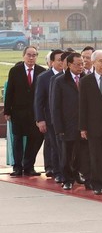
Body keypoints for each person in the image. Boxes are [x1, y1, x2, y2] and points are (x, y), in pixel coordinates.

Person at [4, 46, 46, 177]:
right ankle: (17, 167)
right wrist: (7, 110)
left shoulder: (41, 71)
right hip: (18, 112)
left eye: (34, 55)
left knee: (33, 139)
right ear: (24, 56)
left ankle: (29, 166)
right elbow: (10, 91)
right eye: (29, 55)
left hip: (34, 113)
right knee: (17, 139)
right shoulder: (15, 71)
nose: (31, 58)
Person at [79, 50, 102, 195]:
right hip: (94, 125)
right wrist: (83, 127)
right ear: (93, 63)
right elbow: (83, 105)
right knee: (96, 155)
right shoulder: (86, 81)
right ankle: (97, 183)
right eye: (100, 61)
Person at [51, 53, 89, 190]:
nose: (81, 67)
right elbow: (55, 106)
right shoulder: (60, 81)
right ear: (69, 65)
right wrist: (58, 127)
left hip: (84, 124)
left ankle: (79, 173)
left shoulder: (87, 79)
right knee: (67, 154)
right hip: (67, 124)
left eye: (82, 64)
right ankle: (67, 178)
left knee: (83, 153)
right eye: (77, 64)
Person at [34, 49, 65, 181]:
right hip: (50, 118)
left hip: (67, 118)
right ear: (52, 62)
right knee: (55, 145)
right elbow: (38, 100)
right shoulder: (44, 77)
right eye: (59, 60)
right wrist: (40, 119)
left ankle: (68, 171)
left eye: (63, 60)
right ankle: (56, 171)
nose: (61, 63)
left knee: (66, 147)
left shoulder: (69, 76)